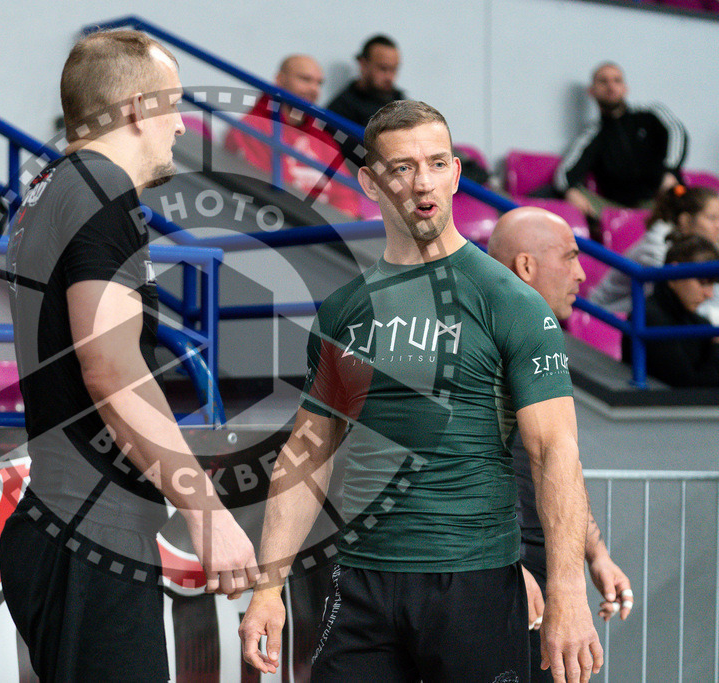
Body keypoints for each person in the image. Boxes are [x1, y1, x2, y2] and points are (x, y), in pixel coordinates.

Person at [239, 100, 602, 683]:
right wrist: (267, 587)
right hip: (360, 583)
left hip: (474, 583)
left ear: (457, 173)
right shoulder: (345, 310)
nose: (422, 181)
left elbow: (555, 453)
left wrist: (568, 594)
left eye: (436, 163)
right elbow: (307, 453)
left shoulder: (509, 301)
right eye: (402, 167)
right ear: (371, 182)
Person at [0, 29, 257, 682]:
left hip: (67, 519)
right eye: (173, 105)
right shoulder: (100, 186)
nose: (180, 126)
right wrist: (206, 510)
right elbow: (109, 366)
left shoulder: (49, 190)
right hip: (90, 528)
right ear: (137, 107)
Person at [489, 206, 634, 682]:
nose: (581, 273)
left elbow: (557, 464)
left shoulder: (543, 341)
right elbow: (456, 470)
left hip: (546, 558)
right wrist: (507, 566)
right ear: (526, 267)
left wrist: (597, 554)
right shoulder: (481, 347)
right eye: (570, 258)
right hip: (498, 566)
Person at [224, 54, 360, 217]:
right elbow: (271, 191)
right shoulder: (251, 128)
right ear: (280, 80)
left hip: (321, 227)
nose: (314, 89)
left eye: (319, 83)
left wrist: (340, 218)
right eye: (305, 79)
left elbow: (346, 195)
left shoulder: (324, 140)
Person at [554, 62, 687, 223]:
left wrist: (670, 171)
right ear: (592, 91)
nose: (611, 86)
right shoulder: (593, 134)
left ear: (625, 88)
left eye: (617, 80)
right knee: (551, 194)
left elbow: (677, 132)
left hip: (666, 198)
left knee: (694, 201)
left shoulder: (650, 114)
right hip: (620, 211)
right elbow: (565, 174)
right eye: (603, 81)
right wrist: (570, 191)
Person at [591, 184, 719, 315]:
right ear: (685, 220)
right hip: (604, 315)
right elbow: (678, 300)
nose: (718, 226)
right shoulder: (657, 248)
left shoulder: (701, 249)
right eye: (712, 218)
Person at [622, 234, 719, 388]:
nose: (710, 294)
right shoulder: (648, 318)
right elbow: (688, 388)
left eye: (712, 284)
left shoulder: (701, 323)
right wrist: (716, 347)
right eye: (703, 282)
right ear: (675, 273)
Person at [325, 35, 404, 160]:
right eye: (383, 68)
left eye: (394, 69)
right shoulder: (340, 109)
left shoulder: (401, 102)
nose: (390, 77)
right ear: (363, 64)